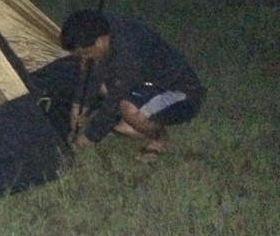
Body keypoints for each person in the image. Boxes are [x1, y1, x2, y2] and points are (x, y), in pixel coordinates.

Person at [60, 10, 205, 162]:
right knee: (121, 122)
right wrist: (79, 105)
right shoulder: (103, 28)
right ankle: (138, 118)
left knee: (129, 111)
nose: (84, 58)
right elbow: (92, 72)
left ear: (100, 41)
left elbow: (115, 101)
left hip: (179, 92)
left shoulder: (128, 54)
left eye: (86, 52)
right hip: (143, 83)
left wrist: (89, 137)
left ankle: (158, 139)